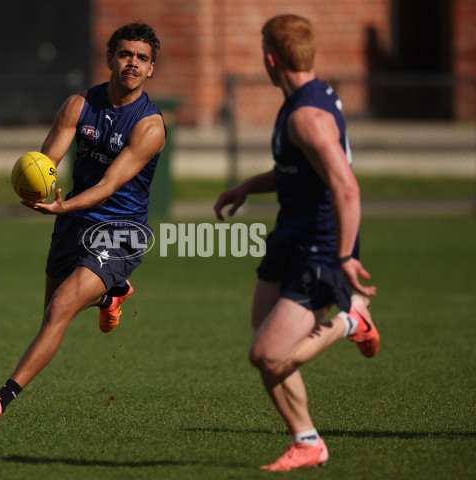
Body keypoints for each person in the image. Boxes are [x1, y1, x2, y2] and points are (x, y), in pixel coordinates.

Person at [0, 22, 165, 422]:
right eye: (125, 54)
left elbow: (109, 185)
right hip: (73, 222)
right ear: (110, 59)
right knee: (51, 315)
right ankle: (111, 296)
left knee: (61, 307)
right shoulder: (78, 104)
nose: (133, 63)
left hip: (120, 229)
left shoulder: (150, 126)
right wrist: (36, 185)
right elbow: (46, 162)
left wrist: (64, 206)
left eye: (142, 58)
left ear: (151, 70)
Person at [214, 14, 379, 472]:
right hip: (290, 236)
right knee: (264, 343)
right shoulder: (304, 100)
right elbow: (297, 171)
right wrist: (247, 185)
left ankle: (352, 318)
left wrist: (345, 255)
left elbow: (346, 187)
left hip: (321, 247)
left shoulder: (307, 115)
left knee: (267, 354)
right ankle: (307, 441)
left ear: (271, 58)